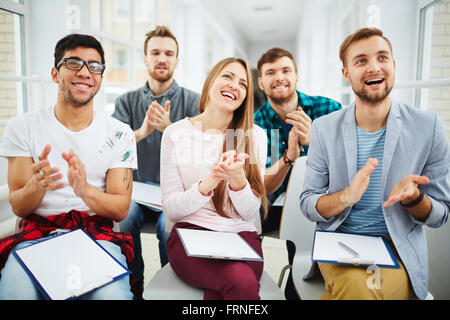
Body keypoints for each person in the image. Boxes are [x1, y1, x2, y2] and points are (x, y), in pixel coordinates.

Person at [300, 27, 450, 300]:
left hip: (397, 249)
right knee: (357, 288)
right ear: (346, 74)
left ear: (393, 65)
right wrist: (345, 197)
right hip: (338, 245)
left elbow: (441, 215)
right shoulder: (323, 129)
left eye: (382, 58)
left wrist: (414, 198)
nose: (374, 67)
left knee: (357, 291)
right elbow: (308, 203)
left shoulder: (429, 127)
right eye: (361, 61)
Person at [0, 34, 137, 299]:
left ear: (100, 77)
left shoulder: (120, 133)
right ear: (55, 73)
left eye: (95, 66)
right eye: (74, 63)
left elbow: (120, 209)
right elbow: (19, 206)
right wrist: (36, 186)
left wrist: (84, 190)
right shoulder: (22, 127)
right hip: (35, 237)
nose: (86, 72)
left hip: (96, 236)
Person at [160, 57, 268, 300]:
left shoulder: (256, 137)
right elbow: (171, 210)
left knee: (234, 281)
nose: (234, 86)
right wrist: (209, 182)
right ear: (211, 81)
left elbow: (249, 212)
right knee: (239, 282)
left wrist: (239, 181)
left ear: (246, 96)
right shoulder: (175, 134)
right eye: (227, 76)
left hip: (241, 237)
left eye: (243, 84)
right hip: (189, 236)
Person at [112, 26, 200, 299]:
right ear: (145, 59)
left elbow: (203, 153)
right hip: (135, 193)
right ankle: (133, 284)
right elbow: (113, 149)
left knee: (167, 225)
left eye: (169, 53)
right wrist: (142, 133)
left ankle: (171, 288)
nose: (162, 58)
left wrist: (170, 128)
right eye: (156, 53)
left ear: (177, 60)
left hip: (176, 194)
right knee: (123, 219)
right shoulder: (126, 101)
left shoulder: (194, 101)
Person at [254, 47, 341, 234]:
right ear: (261, 83)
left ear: (296, 78)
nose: (279, 78)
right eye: (271, 73)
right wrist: (289, 157)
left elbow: (349, 165)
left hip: (324, 198)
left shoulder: (329, 109)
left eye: (286, 71)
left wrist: (315, 141)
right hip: (278, 206)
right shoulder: (256, 124)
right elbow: (263, 187)